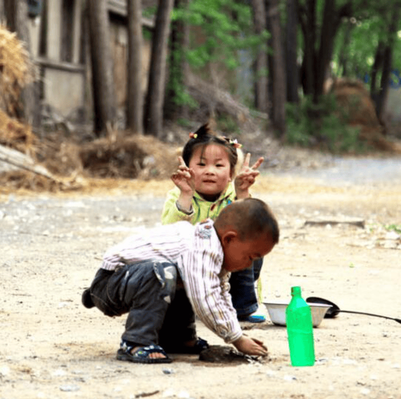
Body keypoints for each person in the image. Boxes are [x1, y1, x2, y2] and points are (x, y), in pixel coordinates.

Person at [81, 198, 279, 364]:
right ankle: (136, 342)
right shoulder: (201, 248)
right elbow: (205, 298)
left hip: (128, 282)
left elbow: (220, 294)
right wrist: (236, 338)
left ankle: (179, 338)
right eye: (251, 257)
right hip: (109, 285)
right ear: (229, 239)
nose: (248, 266)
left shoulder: (215, 251)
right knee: (162, 272)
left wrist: (235, 330)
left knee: (187, 279)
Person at [161, 124, 266, 323]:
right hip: (191, 269)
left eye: (218, 166)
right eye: (201, 165)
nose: (210, 171)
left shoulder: (234, 195)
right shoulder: (178, 194)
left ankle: (241, 308)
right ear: (186, 167)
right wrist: (185, 195)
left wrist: (242, 194)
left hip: (226, 272)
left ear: (230, 174)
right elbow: (169, 233)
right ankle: (188, 308)